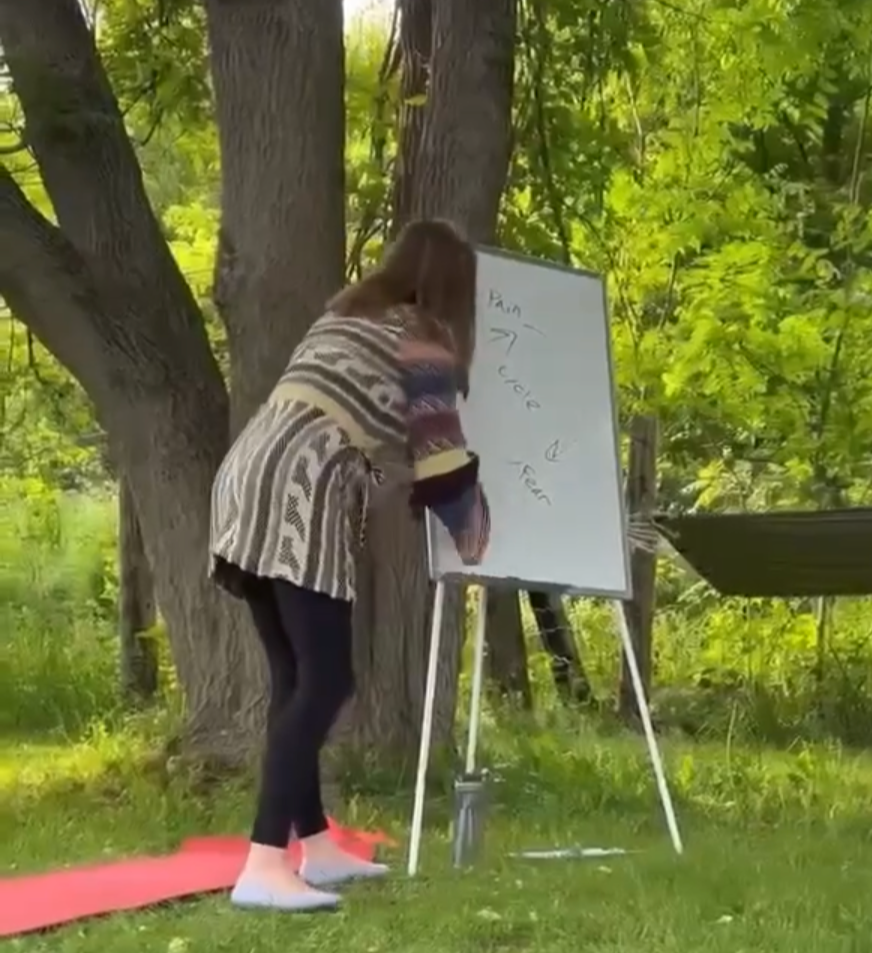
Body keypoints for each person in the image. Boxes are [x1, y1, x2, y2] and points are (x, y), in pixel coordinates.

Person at [208, 219, 491, 913]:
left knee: (293, 675)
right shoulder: (425, 339)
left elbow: (371, 428)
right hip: (299, 489)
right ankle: (265, 863)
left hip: (244, 475)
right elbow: (443, 465)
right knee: (329, 678)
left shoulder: (345, 314)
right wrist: (476, 533)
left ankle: (316, 846)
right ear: (456, 287)